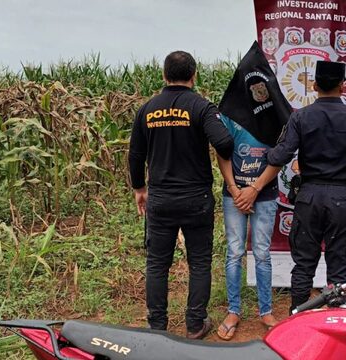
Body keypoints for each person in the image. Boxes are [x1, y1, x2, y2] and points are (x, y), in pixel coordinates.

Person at [128, 51, 234, 339]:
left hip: (160, 199)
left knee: (157, 264)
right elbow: (224, 142)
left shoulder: (147, 109)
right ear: (194, 75)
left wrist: (139, 188)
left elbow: (135, 154)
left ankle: (157, 325)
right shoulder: (201, 107)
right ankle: (196, 324)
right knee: (199, 261)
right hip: (195, 199)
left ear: (164, 75)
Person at [266, 61, 346, 313]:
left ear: (314, 85)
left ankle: (297, 317)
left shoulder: (300, 117)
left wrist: (265, 157)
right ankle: (336, 324)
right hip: (342, 200)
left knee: (304, 264)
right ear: (343, 85)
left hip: (309, 198)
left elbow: (280, 156)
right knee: (340, 268)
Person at [215, 115, 281, 340]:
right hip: (234, 195)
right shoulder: (227, 115)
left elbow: (279, 156)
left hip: (264, 194)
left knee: (262, 252)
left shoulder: (273, 113)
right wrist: (235, 191)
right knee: (234, 251)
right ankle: (233, 311)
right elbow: (221, 153)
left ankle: (266, 311)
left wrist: (253, 190)